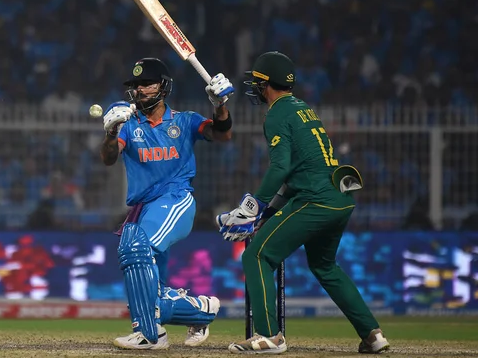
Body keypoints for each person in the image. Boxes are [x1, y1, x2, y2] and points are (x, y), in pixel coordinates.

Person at [216, 52, 390, 354]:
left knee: (257, 256)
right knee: (325, 266)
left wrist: (254, 205)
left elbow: (281, 168)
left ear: (266, 84)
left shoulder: (276, 114)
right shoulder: (303, 109)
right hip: (339, 198)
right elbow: (298, 173)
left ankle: (270, 336)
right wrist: (265, 213)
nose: (254, 88)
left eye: (257, 82)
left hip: (315, 200)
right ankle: (372, 334)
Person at [99, 57, 234, 350]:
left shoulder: (185, 120)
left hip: (176, 200)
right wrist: (110, 132)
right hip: (143, 209)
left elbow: (223, 134)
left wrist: (220, 106)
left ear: (163, 86)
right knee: (152, 294)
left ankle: (151, 335)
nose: (139, 90)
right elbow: (109, 158)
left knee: (134, 246)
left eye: (146, 83)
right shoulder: (127, 123)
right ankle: (201, 310)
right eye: (135, 86)